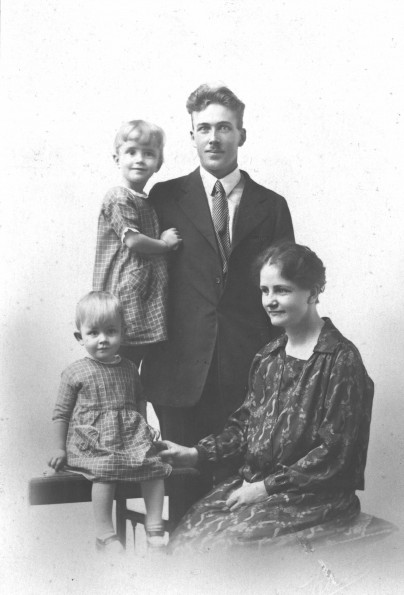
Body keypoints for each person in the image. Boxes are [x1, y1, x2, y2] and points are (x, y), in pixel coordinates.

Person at [159, 242, 374, 552]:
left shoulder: (340, 359)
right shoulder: (268, 356)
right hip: (257, 485)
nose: (270, 301)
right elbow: (244, 428)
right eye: (265, 290)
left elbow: (334, 453)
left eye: (282, 290)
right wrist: (195, 454)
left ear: (313, 292)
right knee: (186, 536)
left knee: (224, 548)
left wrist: (265, 488)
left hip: (313, 497)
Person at [141, 85, 294, 508]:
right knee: (183, 502)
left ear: (241, 134)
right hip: (178, 373)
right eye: (204, 128)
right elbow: (142, 281)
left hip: (248, 376)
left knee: (236, 505)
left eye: (224, 127)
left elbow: (286, 296)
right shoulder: (164, 198)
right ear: (191, 135)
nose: (214, 138)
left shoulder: (272, 205)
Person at [48, 291, 172, 553]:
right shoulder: (75, 372)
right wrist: (59, 448)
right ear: (79, 337)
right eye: (93, 333)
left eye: (111, 331)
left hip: (128, 438)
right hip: (93, 443)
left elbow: (139, 402)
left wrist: (143, 431)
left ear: (122, 333)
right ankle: (105, 534)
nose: (103, 339)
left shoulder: (128, 368)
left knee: (153, 466)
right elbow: (61, 413)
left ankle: (154, 527)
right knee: (104, 470)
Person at [92, 119, 182, 368]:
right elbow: (132, 240)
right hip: (125, 291)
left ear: (158, 163)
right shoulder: (119, 197)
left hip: (141, 294)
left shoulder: (145, 200)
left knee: (133, 368)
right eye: (131, 152)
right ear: (117, 158)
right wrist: (164, 245)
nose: (139, 159)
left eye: (148, 153)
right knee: (119, 362)